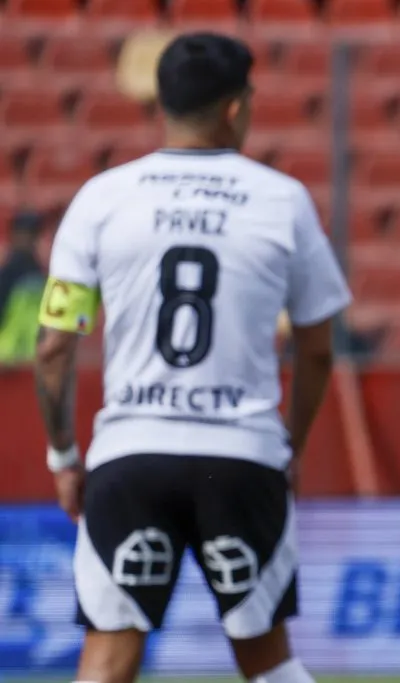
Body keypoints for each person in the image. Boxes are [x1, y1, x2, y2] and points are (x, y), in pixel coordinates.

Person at [33, 32, 351, 683]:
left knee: (108, 653)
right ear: (236, 108)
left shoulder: (100, 197)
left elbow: (55, 346)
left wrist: (65, 455)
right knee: (267, 657)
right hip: (242, 455)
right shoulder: (282, 199)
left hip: (131, 453)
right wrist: (288, 444)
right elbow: (318, 348)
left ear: (161, 101)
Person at [0, 210, 46, 364]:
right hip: (9, 362)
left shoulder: (39, 273)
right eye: (27, 233)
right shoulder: (7, 275)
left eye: (34, 234)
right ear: (15, 235)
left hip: (28, 360)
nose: (31, 239)